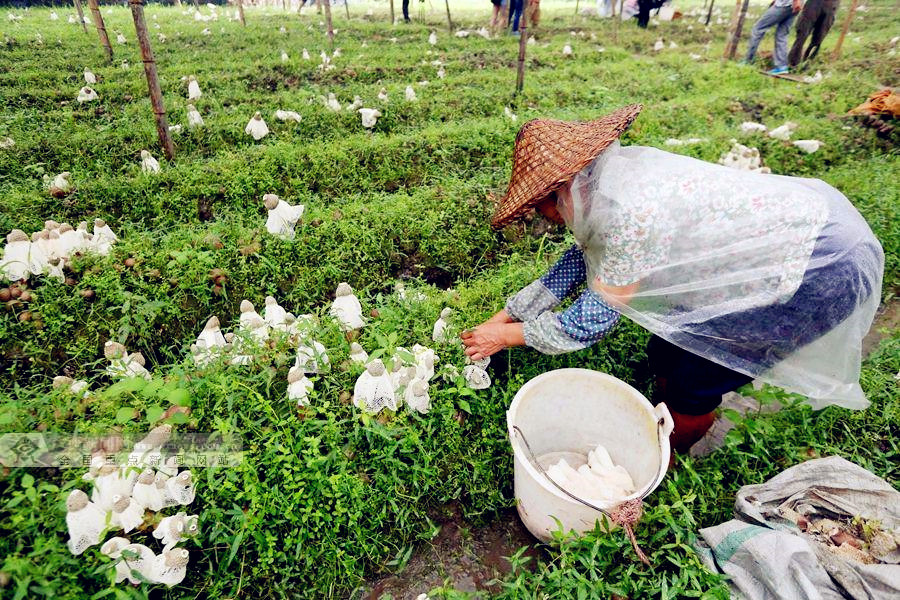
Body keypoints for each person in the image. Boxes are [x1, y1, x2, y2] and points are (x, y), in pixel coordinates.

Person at [461, 104, 883, 453]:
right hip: (774, 243)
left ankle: (665, 459)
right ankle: (666, 418)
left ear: (562, 189)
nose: (545, 218)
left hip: (816, 265)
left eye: (542, 206)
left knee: (694, 378)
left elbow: (584, 324)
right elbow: (576, 264)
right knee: (667, 347)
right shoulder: (604, 188)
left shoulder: (630, 215)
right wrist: (505, 317)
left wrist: (504, 337)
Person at [744, 0, 804, 75]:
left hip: (785, 4)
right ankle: (781, 67)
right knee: (782, 34)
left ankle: (748, 60)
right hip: (794, 5)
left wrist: (796, 1)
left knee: (757, 28)